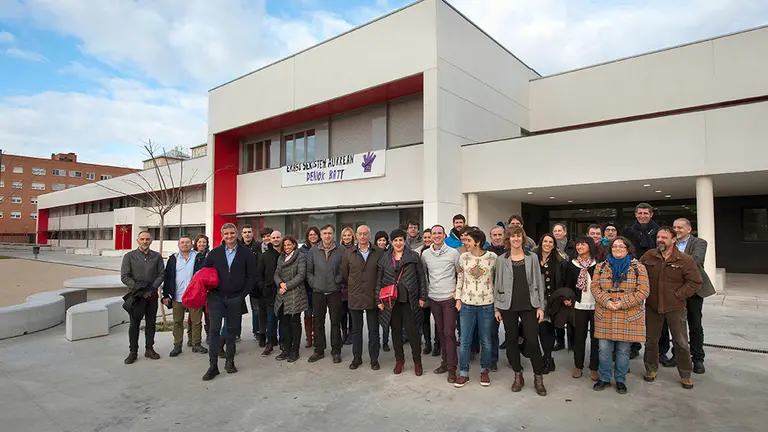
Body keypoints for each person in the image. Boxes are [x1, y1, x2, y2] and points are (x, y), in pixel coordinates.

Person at [640, 227, 702, 390]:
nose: (660, 240)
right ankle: (651, 369)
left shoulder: (685, 260)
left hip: (675, 307)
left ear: (673, 240)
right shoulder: (648, 256)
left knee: (680, 342)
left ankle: (685, 374)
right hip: (653, 306)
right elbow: (637, 274)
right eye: (658, 237)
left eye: (664, 237)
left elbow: (695, 282)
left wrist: (679, 295)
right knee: (651, 340)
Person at [591, 236, 649, 394]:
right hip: (605, 313)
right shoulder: (600, 267)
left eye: (621, 246)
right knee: (603, 349)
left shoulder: (638, 268)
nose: (617, 249)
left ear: (628, 249)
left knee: (623, 351)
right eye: (614, 246)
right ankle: (604, 378)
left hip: (627, 314)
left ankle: (620, 379)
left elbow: (643, 291)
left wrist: (622, 302)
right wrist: (607, 301)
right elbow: (595, 288)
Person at [494, 226, 547, 396]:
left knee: (532, 341)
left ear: (522, 238)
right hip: (508, 305)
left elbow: (539, 282)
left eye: (518, 236)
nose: (516, 239)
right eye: (512, 236)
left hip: (529, 305)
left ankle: (538, 378)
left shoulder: (532, 258)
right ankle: (518, 375)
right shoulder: (502, 259)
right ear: (508, 239)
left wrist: (540, 306)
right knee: (511, 341)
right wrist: (497, 307)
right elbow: (497, 283)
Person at [201, 223, 257, 381]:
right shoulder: (214, 253)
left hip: (235, 298)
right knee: (214, 332)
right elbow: (205, 273)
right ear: (222, 235)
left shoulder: (246, 253)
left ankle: (230, 362)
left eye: (232, 233)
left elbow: (252, 276)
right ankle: (213, 367)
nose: (230, 236)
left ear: (236, 234)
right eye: (226, 234)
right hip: (216, 297)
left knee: (232, 332)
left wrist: (242, 295)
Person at [666, 217, 717, 374]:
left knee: (695, 325)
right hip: (675, 289)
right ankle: (678, 356)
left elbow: (696, 260)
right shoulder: (669, 243)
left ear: (689, 229)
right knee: (677, 325)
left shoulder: (699, 243)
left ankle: (698, 359)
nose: (677, 230)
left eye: (680, 227)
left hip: (694, 290)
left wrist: (674, 263)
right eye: (674, 227)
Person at [376, 229, 427, 376]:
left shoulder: (414, 256)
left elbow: (421, 278)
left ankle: (417, 362)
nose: (398, 243)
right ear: (391, 242)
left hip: (409, 300)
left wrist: (423, 296)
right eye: (395, 240)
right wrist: (377, 299)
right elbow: (379, 280)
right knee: (396, 332)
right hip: (391, 301)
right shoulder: (385, 258)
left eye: (400, 240)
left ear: (405, 241)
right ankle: (400, 361)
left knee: (413, 333)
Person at [454, 229, 497, 387]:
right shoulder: (463, 257)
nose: (466, 243)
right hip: (466, 304)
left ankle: (485, 371)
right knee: (465, 340)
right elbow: (460, 279)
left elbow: (497, 280)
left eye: (468, 241)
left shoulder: (492, 258)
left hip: (487, 304)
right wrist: (458, 299)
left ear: (477, 242)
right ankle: (463, 372)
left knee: (486, 340)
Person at [340, 225, 384, 370]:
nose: (363, 236)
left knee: (373, 330)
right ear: (356, 236)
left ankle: (374, 359)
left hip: (372, 296)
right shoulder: (348, 253)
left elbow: (381, 273)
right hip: (355, 296)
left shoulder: (378, 252)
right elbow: (345, 274)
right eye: (360, 234)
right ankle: (356, 358)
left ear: (369, 235)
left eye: (365, 234)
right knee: (357, 330)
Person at [422, 224, 461, 383]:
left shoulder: (453, 253)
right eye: (434, 233)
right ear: (430, 236)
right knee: (440, 332)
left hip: (449, 299)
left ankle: (452, 369)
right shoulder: (425, 254)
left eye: (439, 233)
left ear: (444, 235)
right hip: (434, 299)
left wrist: (457, 295)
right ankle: (445, 362)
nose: (437, 236)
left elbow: (460, 274)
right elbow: (424, 275)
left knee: (449, 333)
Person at [120, 231, 165, 364]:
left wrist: (152, 289)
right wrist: (139, 289)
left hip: (152, 296)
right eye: (142, 239)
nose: (145, 241)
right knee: (134, 324)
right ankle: (133, 352)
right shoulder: (129, 256)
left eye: (147, 239)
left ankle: (149, 349)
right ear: (137, 240)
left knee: (151, 323)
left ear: (151, 241)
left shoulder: (157, 257)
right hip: (136, 297)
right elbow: (125, 276)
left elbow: (162, 274)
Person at [306, 224, 345, 364]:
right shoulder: (313, 250)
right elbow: (309, 271)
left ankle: (336, 351)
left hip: (335, 292)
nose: (327, 236)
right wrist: (314, 283)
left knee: (335, 322)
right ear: (320, 235)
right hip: (318, 292)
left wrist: (338, 280)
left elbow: (344, 269)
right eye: (324, 233)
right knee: (318, 323)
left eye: (329, 233)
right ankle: (319, 350)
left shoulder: (341, 250)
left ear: (333, 235)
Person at [162, 236, 207, 357]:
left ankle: (196, 344)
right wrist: (165, 294)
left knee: (196, 322)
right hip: (177, 296)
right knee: (177, 322)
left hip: (194, 296)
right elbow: (168, 277)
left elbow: (205, 275)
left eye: (187, 242)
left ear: (192, 244)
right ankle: (177, 345)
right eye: (182, 242)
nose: (185, 244)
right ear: (178, 245)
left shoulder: (199, 257)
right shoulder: (173, 259)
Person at [564, 237, 599, 381]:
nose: (579, 246)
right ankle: (578, 365)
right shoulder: (572, 264)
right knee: (579, 338)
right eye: (577, 244)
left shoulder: (598, 264)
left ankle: (594, 367)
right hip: (579, 306)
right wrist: (567, 298)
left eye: (582, 244)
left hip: (597, 306)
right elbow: (567, 284)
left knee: (596, 339)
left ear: (590, 246)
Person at [535, 233, 567, 373]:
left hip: (552, 299)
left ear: (554, 245)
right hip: (535, 298)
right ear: (541, 242)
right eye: (545, 241)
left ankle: (547, 358)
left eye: (550, 242)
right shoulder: (532, 257)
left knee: (548, 328)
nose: (547, 244)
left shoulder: (559, 260)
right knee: (539, 328)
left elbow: (563, 280)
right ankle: (544, 357)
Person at [273, 235, 308, 362]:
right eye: (285, 245)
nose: (287, 247)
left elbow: (301, 275)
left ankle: (295, 351)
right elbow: (276, 273)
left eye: (289, 244)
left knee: (294, 323)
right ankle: (286, 350)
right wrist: (280, 284)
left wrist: (286, 285)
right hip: (282, 293)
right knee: (284, 324)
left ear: (294, 244)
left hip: (295, 294)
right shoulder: (281, 257)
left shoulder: (301, 256)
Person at [255, 230, 282, 356]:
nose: (276, 239)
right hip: (269, 292)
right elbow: (258, 274)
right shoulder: (264, 256)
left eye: (278, 237)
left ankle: (284, 343)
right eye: (273, 237)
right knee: (271, 319)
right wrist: (262, 287)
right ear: (270, 240)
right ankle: (270, 343)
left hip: (285, 291)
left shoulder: (286, 253)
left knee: (284, 319)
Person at [414, 228, 439, 356]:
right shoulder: (418, 252)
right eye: (425, 237)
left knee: (437, 320)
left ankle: (437, 344)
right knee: (424, 320)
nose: (427, 239)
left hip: (435, 290)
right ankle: (427, 343)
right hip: (423, 291)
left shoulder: (437, 252)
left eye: (429, 237)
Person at [240, 225, 264, 344]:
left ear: (252, 233)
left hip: (253, 282)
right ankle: (235, 333)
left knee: (256, 309)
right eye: (245, 232)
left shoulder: (258, 246)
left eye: (249, 232)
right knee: (236, 308)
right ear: (242, 234)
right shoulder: (237, 246)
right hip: (239, 282)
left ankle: (257, 331)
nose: (247, 234)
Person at [300, 226, 321, 349]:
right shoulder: (302, 250)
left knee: (318, 315)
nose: (313, 237)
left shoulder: (322, 248)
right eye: (310, 235)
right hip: (306, 287)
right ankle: (309, 337)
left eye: (315, 234)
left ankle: (317, 336)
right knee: (308, 313)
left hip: (319, 287)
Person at [193, 234, 211, 344]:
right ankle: (193, 338)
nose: (202, 244)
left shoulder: (210, 255)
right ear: (196, 243)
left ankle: (209, 335)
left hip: (208, 289)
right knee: (194, 315)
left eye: (204, 242)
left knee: (209, 314)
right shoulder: (192, 255)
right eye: (199, 242)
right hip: (195, 289)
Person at [340, 226, 356, 346]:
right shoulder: (339, 249)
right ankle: (343, 333)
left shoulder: (355, 249)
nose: (346, 238)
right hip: (340, 286)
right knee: (342, 312)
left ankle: (351, 334)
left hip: (352, 286)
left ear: (352, 237)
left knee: (351, 312)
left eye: (349, 235)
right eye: (344, 235)